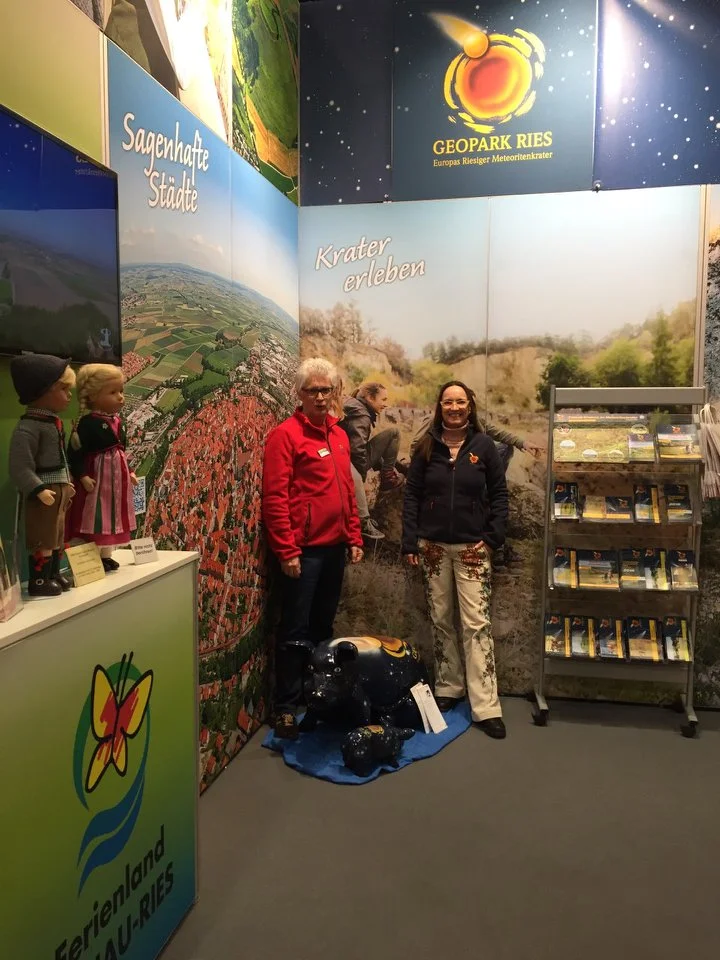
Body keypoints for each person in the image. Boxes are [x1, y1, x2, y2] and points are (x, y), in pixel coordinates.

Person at [262, 357, 364, 740]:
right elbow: (274, 498)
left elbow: (347, 493)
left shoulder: (337, 434)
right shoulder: (285, 435)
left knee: (323, 628)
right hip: (303, 552)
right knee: (295, 629)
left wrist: (353, 536)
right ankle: (286, 708)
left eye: (327, 390)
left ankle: (317, 697)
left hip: (335, 548)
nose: (321, 398)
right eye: (313, 391)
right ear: (300, 394)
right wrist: (286, 550)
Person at [402, 380, 509, 739]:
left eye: (460, 402)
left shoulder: (485, 447)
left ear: (470, 406)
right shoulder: (426, 445)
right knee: (441, 619)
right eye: (448, 402)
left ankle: (486, 706)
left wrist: (491, 540)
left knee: (476, 623)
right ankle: (449, 687)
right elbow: (412, 495)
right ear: (440, 406)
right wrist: (409, 541)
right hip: (432, 548)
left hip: (471, 550)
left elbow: (499, 495)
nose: (454, 408)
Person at [406, 407, 542, 566]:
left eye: (465, 403)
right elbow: (416, 446)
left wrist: (522, 443)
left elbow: (496, 432)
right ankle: (497, 548)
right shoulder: (433, 420)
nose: (458, 408)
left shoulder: (473, 420)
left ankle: (495, 544)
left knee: (505, 448)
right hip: (443, 471)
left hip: (469, 470)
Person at [8, 354, 77, 597]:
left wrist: (66, 482)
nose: (70, 395)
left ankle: (53, 574)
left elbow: (59, 458)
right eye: (64, 389)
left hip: (57, 490)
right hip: (43, 494)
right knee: (42, 537)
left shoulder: (51, 423)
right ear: (44, 390)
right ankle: (38, 580)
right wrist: (37, 488)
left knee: (57, 535)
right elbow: (19, 466)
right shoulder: (29, 427)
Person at [66, 364, 139, 572]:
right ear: (94, 395)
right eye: (113, 392)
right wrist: (82, 476)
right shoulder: (88, 423)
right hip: (98, 478)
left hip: (117, 479)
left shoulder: (117, 421)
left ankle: (106, 554)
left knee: (113, 513)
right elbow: (75, 453)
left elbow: (122, 450)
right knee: (95, 514)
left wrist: (130, 471)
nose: (120, 397)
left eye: (121, 391)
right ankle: (92, 557)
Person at [340, 382, 404, 541]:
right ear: (369, 397)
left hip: (343, 453)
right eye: (383, 399)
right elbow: (357, 450)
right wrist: (361, 477)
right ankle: (364, 521)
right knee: (394, 433)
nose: (385, 404)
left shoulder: (356, 405)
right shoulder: (362, 413)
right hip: (346, 459)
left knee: (389, 438)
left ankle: (390, 472)